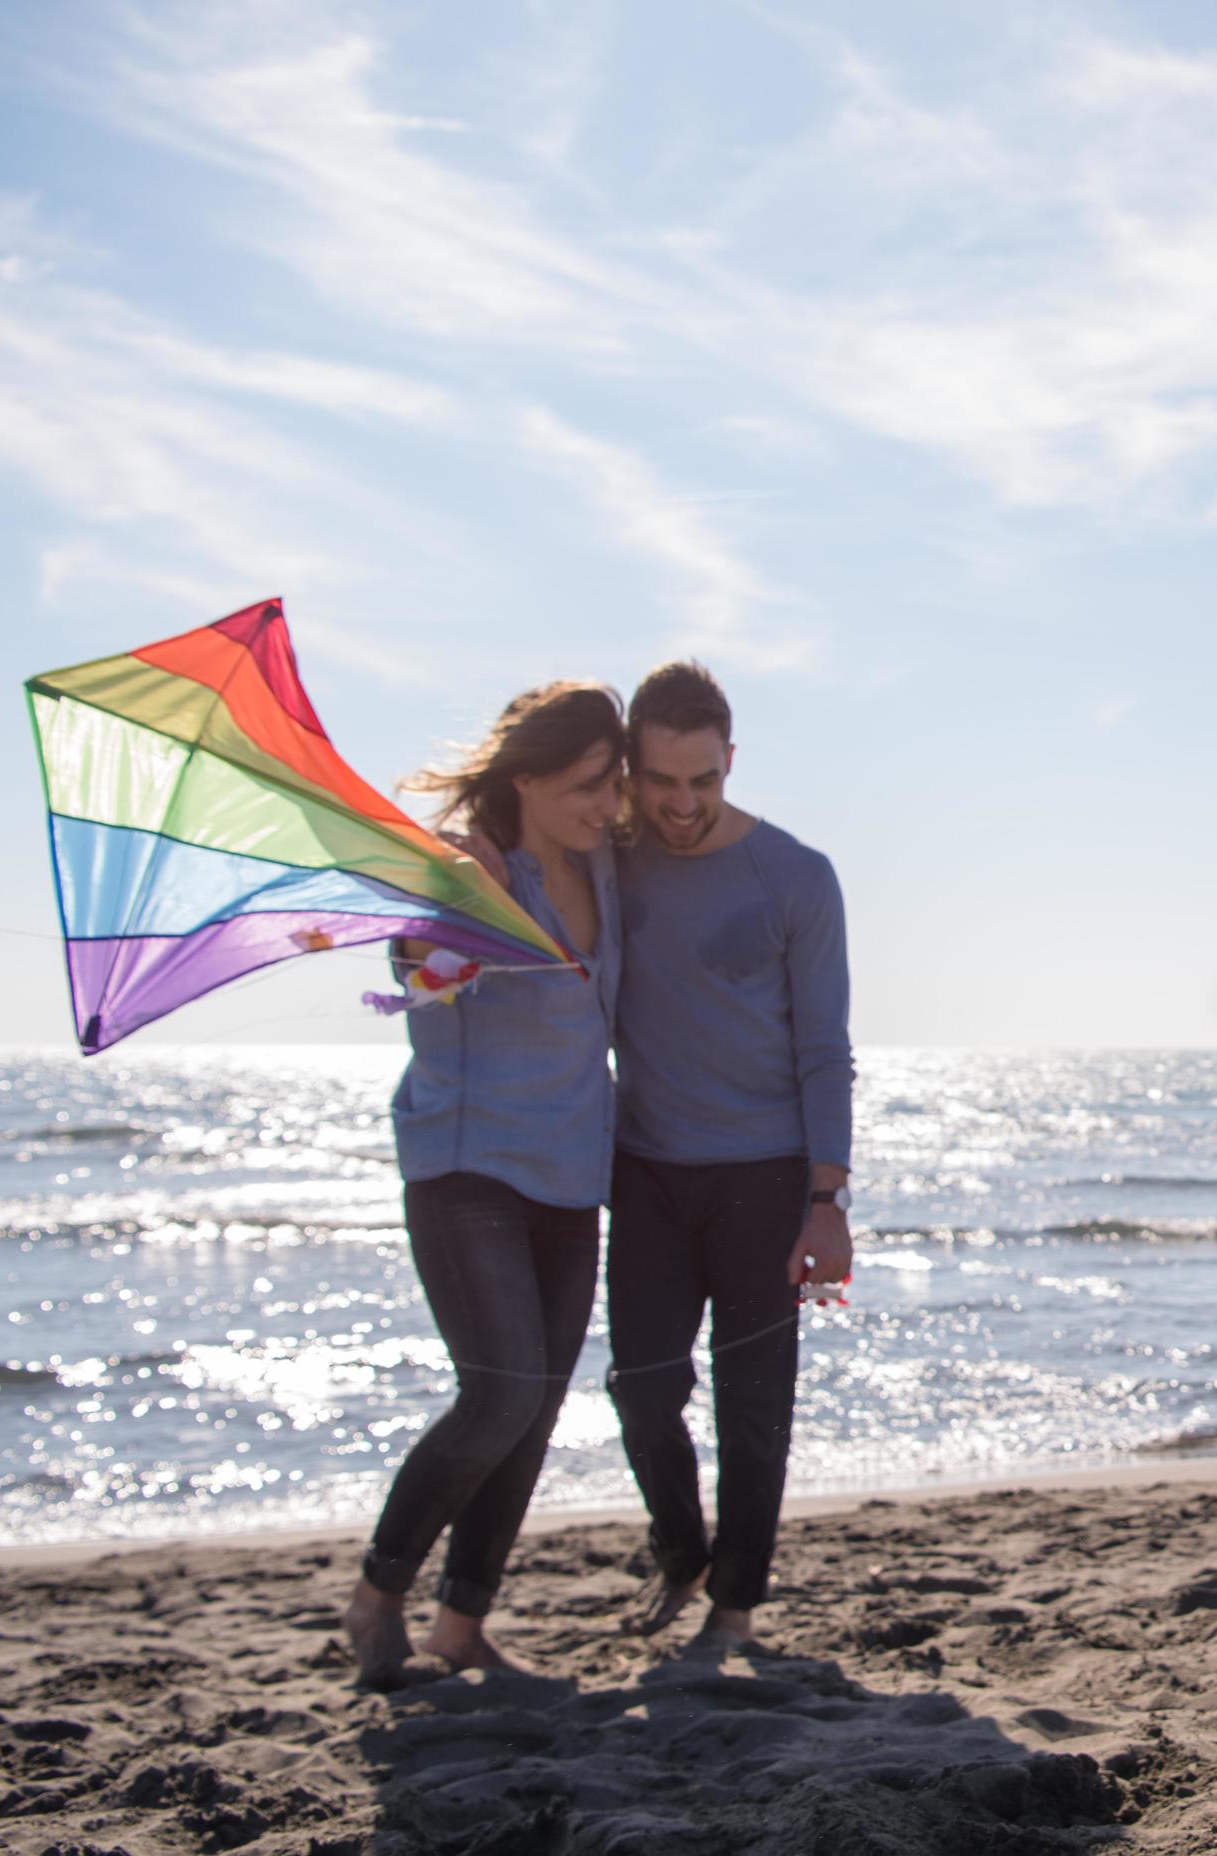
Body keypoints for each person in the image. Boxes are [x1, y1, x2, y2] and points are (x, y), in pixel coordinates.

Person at [342, 682, 626, 1690]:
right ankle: (378, 1596)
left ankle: (460, 1627)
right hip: (469, 1169)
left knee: (536, 1407)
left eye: (614, 782)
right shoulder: (464, 868)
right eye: (591, 783)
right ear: (530, 777)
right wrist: (437, 943)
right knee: (501, 1390)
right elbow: (417, 957)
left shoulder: (605, 867)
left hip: (571, 1175)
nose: (607, 802)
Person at [602, 661, 855, 1653]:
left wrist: (827, 1197)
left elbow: (824, 1049)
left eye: (702, 780)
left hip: (765, 1177)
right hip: (648, 1172)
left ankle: (735, 1604)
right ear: (632, 770)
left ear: (731, 761)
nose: (681, 803)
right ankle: (680, 1548)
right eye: (661, 781)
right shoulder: (609, 858)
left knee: (755, 1407)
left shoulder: (797, 875)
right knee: (642, 1387)